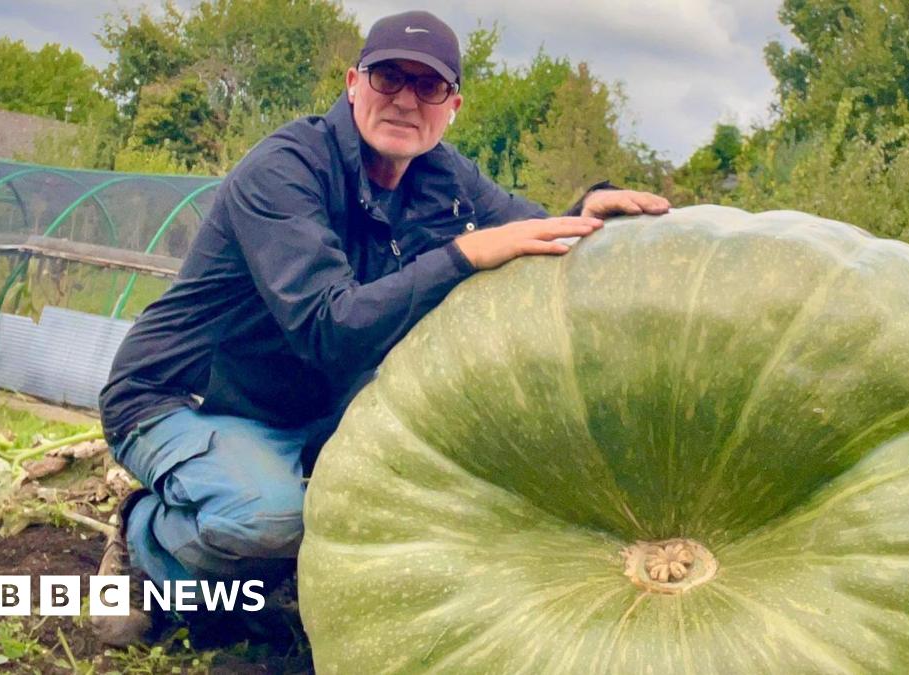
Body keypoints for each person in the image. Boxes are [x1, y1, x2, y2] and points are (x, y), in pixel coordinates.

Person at [92, 9, 669, 647]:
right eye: (387, 77)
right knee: (268, 520)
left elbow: (526, 236)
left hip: (309, 404)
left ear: (453, 105)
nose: (403, 100)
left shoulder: (446, 179)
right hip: (185, 397)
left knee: (428, 494)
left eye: (427, 87)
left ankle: (252, 569)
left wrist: (586, 210)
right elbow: (329, 326)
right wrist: (461, 256)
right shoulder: (285, 169)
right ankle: (145, 542)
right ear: (352, 83)